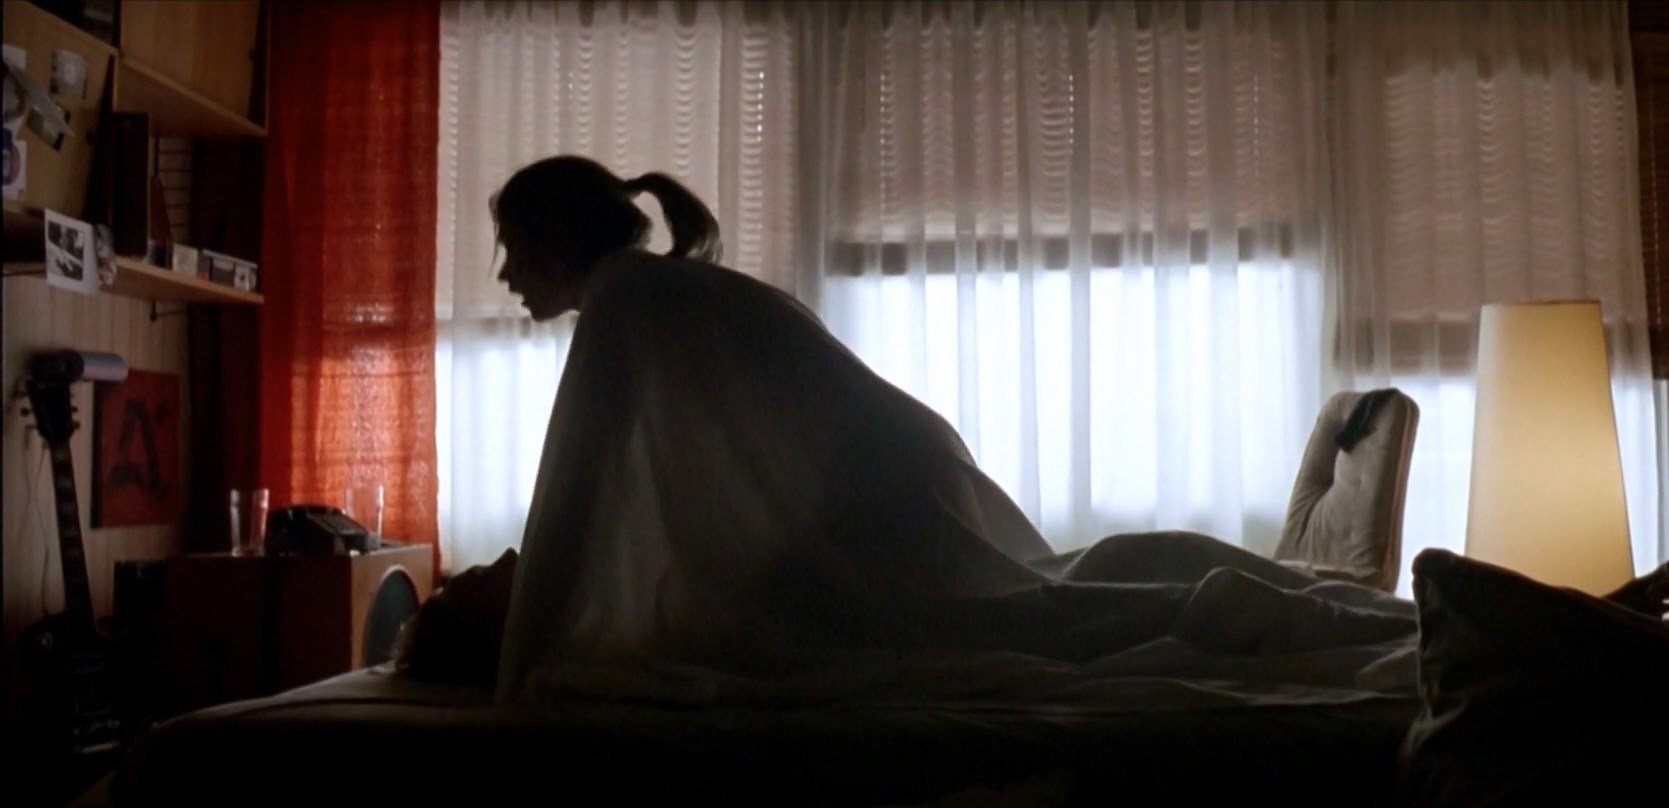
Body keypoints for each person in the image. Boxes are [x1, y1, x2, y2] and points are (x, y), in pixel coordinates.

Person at [487, 156, 1415, 707]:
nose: (502, 276)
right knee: (1045, 599)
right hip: (891, 474)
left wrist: (515, 684)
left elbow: (574, 504)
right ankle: (1299, 606)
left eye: (511, 247)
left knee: (1030, 624)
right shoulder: (657, 291)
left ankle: (1262, 609)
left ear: (555, 238)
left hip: (873, 499)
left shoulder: (626, 299)